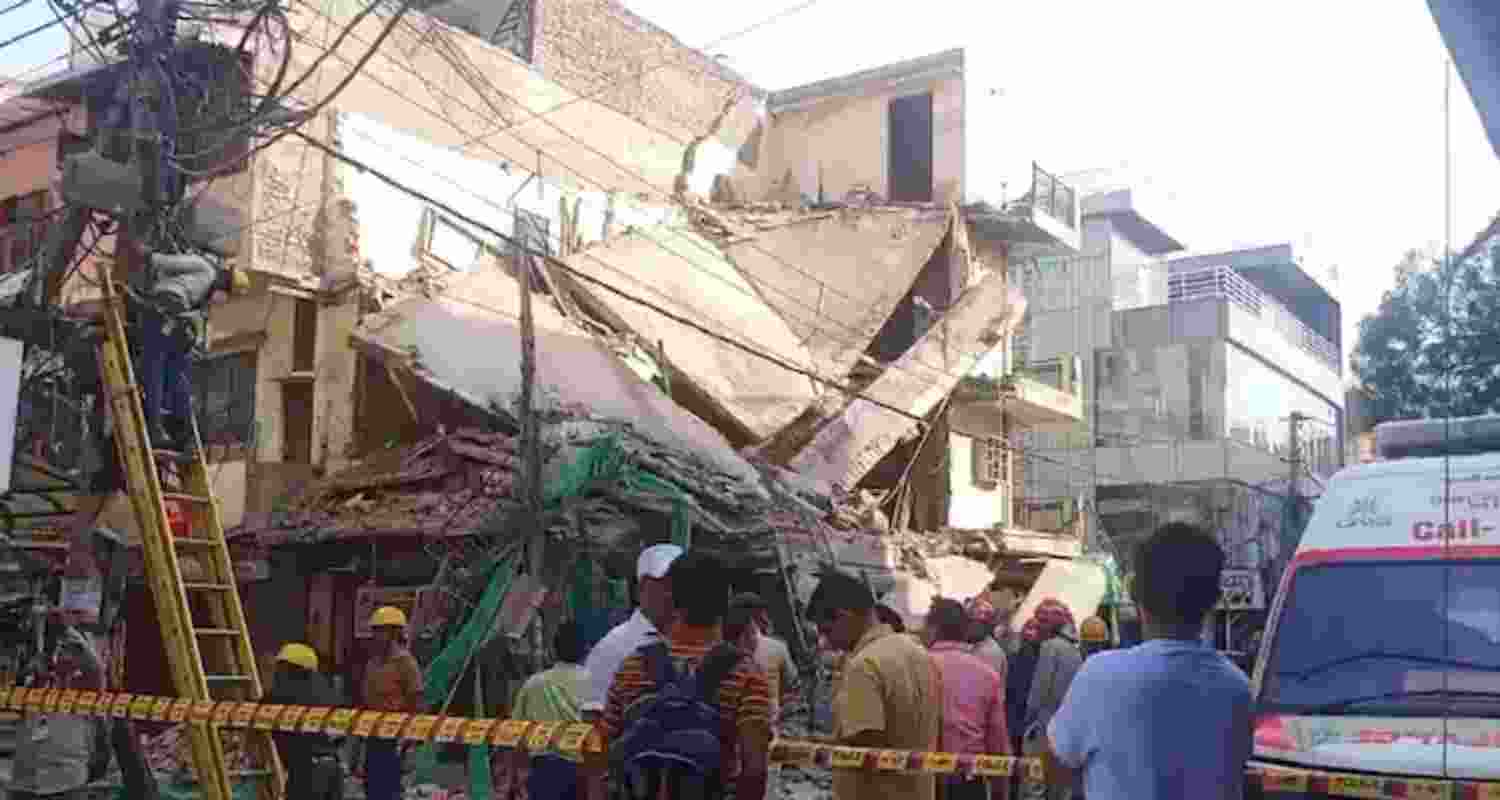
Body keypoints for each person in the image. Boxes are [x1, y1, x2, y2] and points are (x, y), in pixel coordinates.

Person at [1044, 523, 1253, 799]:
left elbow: (1056, 763)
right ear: (1214, 599)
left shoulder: (1099, 676)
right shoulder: (1237, 689)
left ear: (1135, 593)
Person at [592, 551, 771, 800]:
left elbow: (601, 752)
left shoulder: (632, 667)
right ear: (727, 600)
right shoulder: (747, 675)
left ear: (672, 599)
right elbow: (755, 770)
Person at [807, 570, 940, 800]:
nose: (827, 642)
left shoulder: (864, 665)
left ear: (844, 617)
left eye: (827, 631)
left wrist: (818, 751)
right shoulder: (918, 653)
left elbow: (866, 748)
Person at [135, 250, 247, 452]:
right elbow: (159, 261)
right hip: (168, 311)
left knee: (160, 368)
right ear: (224, 280)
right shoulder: (203, 268)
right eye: (226, 290)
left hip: (167, 315)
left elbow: (157, 262)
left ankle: (165, 429)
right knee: (167, 370)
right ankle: (169, 430)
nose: (223, 296)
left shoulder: (204, 290)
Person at [582, 543, 683, 718]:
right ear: (640, 589)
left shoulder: (693, 641)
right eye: (664, 583)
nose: (672, 592)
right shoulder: (611, 648)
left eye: (679, 583)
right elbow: (592, 719)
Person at [927, 598, 1009, 800]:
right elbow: (997, 740)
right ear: (965, 630)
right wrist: (999, 790)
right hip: (968, 778)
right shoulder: (987, 674)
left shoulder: (917, 666)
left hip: (922, 775)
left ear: (933, 629)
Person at [10, 624, 104, 800]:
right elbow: (15, 704)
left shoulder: (84, 689)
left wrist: (66, 628)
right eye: (59, 649)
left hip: (65, 784)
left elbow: (95, 668)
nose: (61, 654)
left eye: (69, 650)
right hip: (24, 783)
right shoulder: (35, 682)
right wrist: (32, 671)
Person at [513, 620, 590, 800]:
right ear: (586, 650)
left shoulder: (533, 684)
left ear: (554, 650)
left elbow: (517, 737)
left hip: (543, 774)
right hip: (583, 774)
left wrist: (516, 777)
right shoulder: (595, 683)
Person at [1017, 598, 1083, 800]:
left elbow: (1039, 690)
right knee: (1059, 787)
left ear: (1051, 624)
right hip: (1066, 729)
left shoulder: (1049, 647)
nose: (1037, 626)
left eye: (1042, 621)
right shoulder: (1074, 650)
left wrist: (1028, 718)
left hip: (1044, 727)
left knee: (1034, 785)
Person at [265, 643, 343, 800]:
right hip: (333, 767)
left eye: (282, 667)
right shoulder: (325, 691)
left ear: (293, 669)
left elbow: (262, 708)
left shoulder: (288, 691)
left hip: (308, 770)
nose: (278, 672)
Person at [361, 606, 423, 800]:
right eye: (375, 631)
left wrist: (409, 736)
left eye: (381, 631)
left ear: (395, 632)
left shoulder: (406, 663)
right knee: (371, 785)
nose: (376, 636)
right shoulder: (372, 663)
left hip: (395, 736)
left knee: (389, 788)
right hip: (373, 734)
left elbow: (416, 700)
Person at [731, 593, 800, 718]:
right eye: (763, 615)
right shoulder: (777, 647)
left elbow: (792, 692)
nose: (767, 620)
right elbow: (793, 689)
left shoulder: (719, 650)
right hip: (769, 723)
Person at [965, 596, 1008, 679]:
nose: (982, 617)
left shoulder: (994, 653)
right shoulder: (956, 642)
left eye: (983, 623)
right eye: (975, 619)